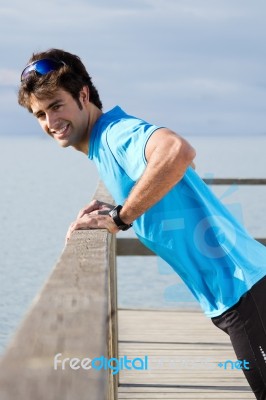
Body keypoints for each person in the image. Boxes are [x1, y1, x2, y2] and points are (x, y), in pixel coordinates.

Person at [18, 48, 266, 399]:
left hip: (243, 289)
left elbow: (178, 153)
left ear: (83, 95)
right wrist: (115, 205)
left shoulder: (114, 134)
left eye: (56, 105)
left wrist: (120, 218)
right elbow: (179, 173)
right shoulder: (105, 144)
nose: (49, 121)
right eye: (40, 113)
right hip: (241, 287)